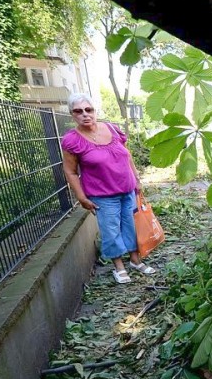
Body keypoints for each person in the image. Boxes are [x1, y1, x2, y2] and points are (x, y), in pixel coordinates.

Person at [61, 93, 156, 284]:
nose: (85, 115)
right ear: (72, 115)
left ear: (95, 111)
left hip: (127, 190)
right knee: (111, 231)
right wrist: (81, 197)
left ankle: (136, 261)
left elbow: (127, 155)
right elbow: (70, 171)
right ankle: (119, 267)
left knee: (130, 227)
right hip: (103, 196)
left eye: (89, 110)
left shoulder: (112, 129)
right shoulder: (73, 140)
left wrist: (137, 179)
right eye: (78, 111)